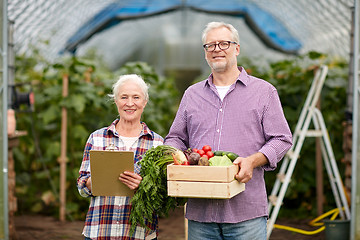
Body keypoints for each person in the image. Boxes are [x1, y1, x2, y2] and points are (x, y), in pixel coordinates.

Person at [164, 21, 293, 240]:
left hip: (246, 212)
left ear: (237, 48)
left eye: (224, 43)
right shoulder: (192, 94)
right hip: (201, 212)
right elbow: (175, 137)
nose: (217, 49)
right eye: (210, 45)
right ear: (205, 53)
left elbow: (281, 139)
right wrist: (175, 157)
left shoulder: (263, 92)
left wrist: (252, 161)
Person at [77, 74, 163, 240]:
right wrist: (94, 182)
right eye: (124, 97)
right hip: (101, 231)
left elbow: (162, 196)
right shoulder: (97, 138)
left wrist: (143, 188)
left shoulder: (157, 143)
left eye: (136, 97)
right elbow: (81, 186)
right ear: (116, 101)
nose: (130, 103)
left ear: (145, 102)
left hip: (139, 234)